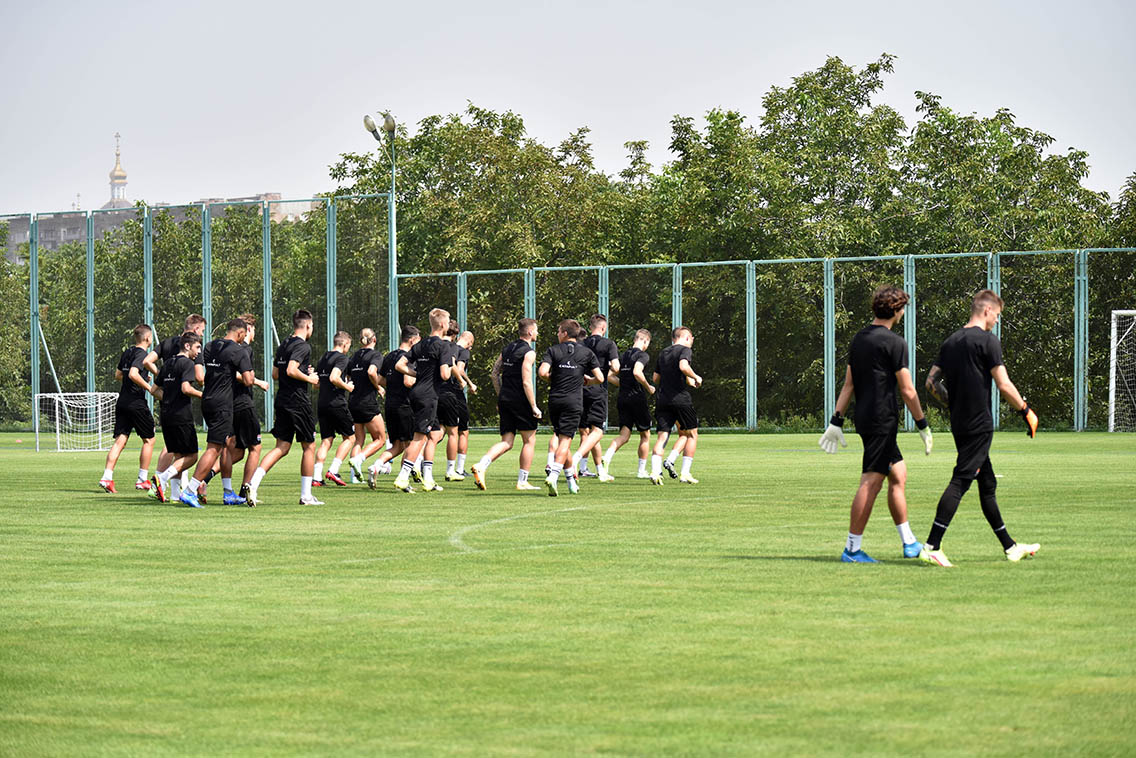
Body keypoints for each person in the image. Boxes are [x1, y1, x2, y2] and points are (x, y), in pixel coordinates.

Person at [918, 289, 1041, 567]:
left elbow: (930, 383)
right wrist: (1026, 410)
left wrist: (953, 403)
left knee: (987, 483)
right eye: (997, 315)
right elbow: (1003, 384)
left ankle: (1010, 547)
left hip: (960, 422)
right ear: (987, 310)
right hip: (979, 424)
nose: (996, 321)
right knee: (961, 480)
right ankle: (932, 545)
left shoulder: (951, 342)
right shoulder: (988, 341)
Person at [818, 285, 933, 563]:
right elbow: (907, 390)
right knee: (871, 482)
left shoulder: (860, 339)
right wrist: (922, 424)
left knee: (898, 474)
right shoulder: (895, 343)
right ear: (896, 310)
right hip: (882, 420)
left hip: (866, 417)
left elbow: (849, 384)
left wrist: (836, 420)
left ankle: (909, 542)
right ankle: (852, 549)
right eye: (902, 308)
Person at [245, 309, 322, 506]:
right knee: (309, 446)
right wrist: (310, 379)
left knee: (282, 447)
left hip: (282, 399)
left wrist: (303, 371)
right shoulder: (303, 346)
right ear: (307, 325)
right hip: (298, 401)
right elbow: (290, 370)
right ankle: (306, 495)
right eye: (312, 326)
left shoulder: (284, 345)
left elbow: (276, 374)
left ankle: (252, 484)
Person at [181, 318, 255, 507]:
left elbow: (204, 372)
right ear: (241, 333)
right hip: (223, 404)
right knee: (213, 448)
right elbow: (248, 380)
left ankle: (228, 492)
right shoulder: (239, 351)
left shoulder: (209, 346)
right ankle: (190, 490)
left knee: (228, 445)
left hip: (207, 399)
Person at [470, 318, 543, 491]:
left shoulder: (507, 349)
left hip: (505, 399)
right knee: (529, 440)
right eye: (536, 330)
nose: (537, 333)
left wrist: (501, 396)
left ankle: (481, 465)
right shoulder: (529, 352)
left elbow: (494, 373)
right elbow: (526, 382)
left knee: (507, 441)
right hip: (521, 400)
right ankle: (522, 481)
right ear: (530, 332)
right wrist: (533, 405)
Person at [144, 314, 206, 498]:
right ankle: (161, 478)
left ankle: (174, 495)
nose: (199, 352)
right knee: (191, 456)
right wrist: (203, 395)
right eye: (197, 347)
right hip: (181, 414)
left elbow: (153, 389)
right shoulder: (187, 364)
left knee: (178, 454)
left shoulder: (168, 364)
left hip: (166, 413)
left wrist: (168, 397)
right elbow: (186, 388)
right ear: (187, 346)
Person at [539, 319, 604, 496]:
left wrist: (555, 378)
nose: (557, 334)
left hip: (555, 400)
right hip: (573, 402)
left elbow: (542, 372)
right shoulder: (587, 353)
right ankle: (553, 476)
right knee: (565, 441)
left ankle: (570, 481)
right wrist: (589, 381)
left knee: (562, 439)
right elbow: (600, 378)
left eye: (559, 331)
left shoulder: (553, 350)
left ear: (565, 333)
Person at [393, 308, 452, 493]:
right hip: (428, 395)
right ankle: (403, 477)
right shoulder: (443, 346)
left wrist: (417, 374)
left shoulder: (420, 344)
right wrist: (451, 366)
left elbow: (399, 365)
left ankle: (428, 479)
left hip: (417, 393)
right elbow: (445, 374)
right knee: (419, 438)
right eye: (448, 321)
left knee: (434, 434)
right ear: (442, 324)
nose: (449, 324)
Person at [99, 324, 158, 493]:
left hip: (122, 401)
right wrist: (149, 387)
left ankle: (107, 477)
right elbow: (132, 374)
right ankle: (142, 479)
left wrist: (141, 377)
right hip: (136, 402)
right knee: (149, 440)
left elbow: (119, 375)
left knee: (120, 440)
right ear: (147, 338)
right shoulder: (142, 354)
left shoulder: (127, 352)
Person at [649, 326, 702, 485]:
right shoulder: (685, 350)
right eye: (691, 339)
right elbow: (683, 367)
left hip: (662, 399)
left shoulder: (663, 353)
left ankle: (655, 471)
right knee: (692, 434)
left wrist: (684, 380)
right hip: (680, 399)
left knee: (662, 436)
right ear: (687, 338)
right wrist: (696, 377)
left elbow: (655, 378)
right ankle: (685, 473)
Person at [368, 326, 420, 486]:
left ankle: (376, 466)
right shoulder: (409, 357)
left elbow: (379, 378)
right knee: (410, 445)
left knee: (397, 445)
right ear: (412, 340)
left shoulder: (390, 356)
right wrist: (423, 380)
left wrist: (392, 384)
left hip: (390, 404)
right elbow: (408, 381)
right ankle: (404, 480)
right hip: (405, 405)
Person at [601, 328, 655, 479]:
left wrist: (624, 384)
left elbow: (609, 376)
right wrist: (648, 387)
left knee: (624, 435)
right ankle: (641, 471)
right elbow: (637, 372)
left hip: (623, 398)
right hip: (637, 398)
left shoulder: (624, 355)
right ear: (645, 341)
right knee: (645, 435)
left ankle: (607, 456)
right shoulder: (642, 355)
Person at [229, 314, 269, 501]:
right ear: (247, 330)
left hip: (229, 403)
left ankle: (204, 478)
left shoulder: (227, 349)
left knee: (237, 452)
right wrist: (258, 382)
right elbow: (241, 375)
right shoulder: (244, 349)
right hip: (243, 403)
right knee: (256, 447)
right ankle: (245, 491)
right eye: (253, 330)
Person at [577, 314, 620, 482]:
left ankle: (590, 469)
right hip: (597, 390)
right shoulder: (609, 344)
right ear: (604, 328)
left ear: (590, 327)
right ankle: (578, 461)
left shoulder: (582, 343)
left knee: (585, 432)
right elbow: (616, 366)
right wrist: (608, 368)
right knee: (597, 430)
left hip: (581, 389)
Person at [313, 331, 356, 486]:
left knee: (326, 440)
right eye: (349, 345)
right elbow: (334, 377)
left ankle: (316, 477)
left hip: (322, 403)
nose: (348, 349)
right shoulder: (342, 358)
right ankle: (333, 470)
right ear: (344, 344)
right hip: (336, 403)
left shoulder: (323, 358)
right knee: (350, 438)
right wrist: (347, 387)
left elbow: (316, 384)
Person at [345, 328, 388, 482]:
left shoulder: (354, 356)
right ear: (374, 339)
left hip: (353, 401)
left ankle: (354, 477)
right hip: (367, 402)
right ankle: (359, 460)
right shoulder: (375, 355)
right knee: (381, 439)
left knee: (359, 439)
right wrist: (378, 387)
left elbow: (348, 377)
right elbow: (371, 372)